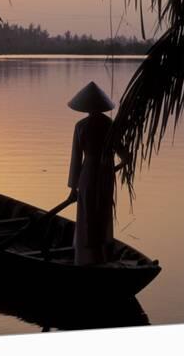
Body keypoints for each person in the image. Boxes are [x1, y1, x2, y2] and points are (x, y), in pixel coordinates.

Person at [66, 81, 127, 266]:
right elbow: (125, 157)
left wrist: (72, 190)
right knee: (102, 211)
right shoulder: (109, 124)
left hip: (87, 174)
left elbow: (76, 161)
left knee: (87, 214)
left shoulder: (81, 126)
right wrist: (111, 169)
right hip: (105, 175)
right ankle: (102, 255)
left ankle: (87, 259)